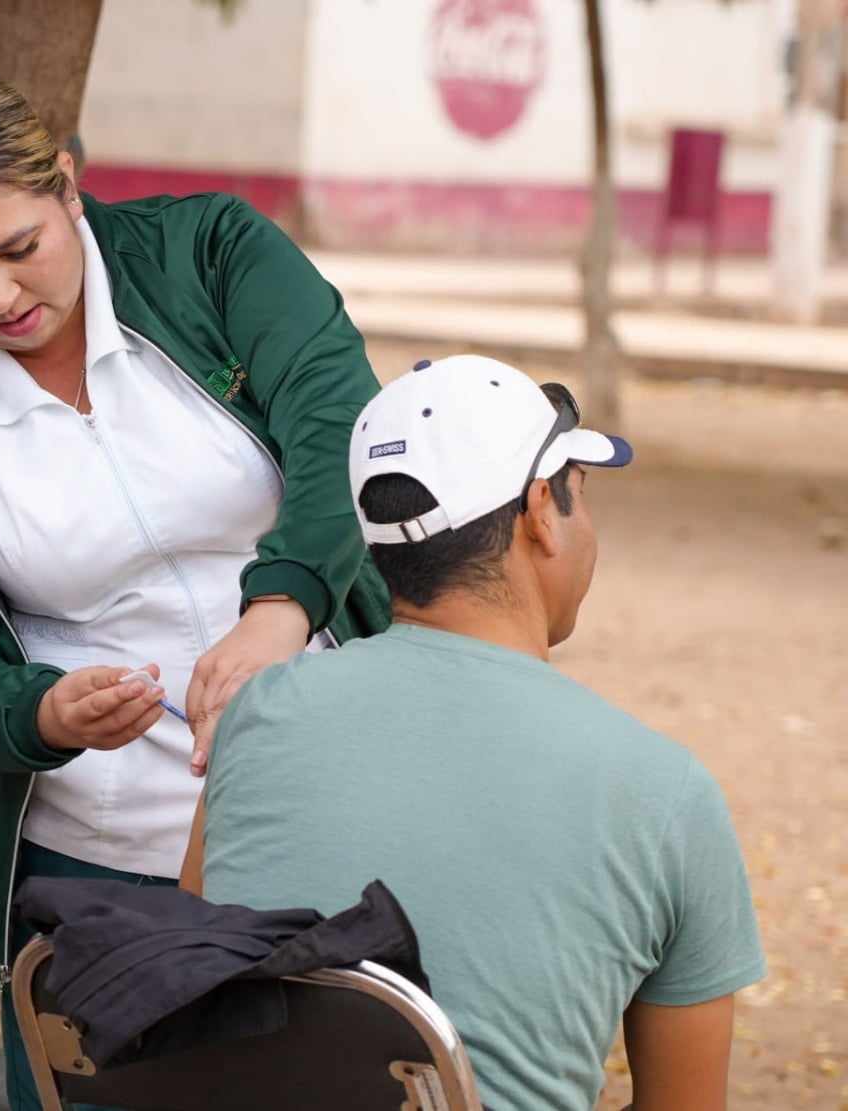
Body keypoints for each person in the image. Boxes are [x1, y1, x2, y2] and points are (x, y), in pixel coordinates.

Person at [0, 68, 390, 1108]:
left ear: (66, 180)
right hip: (89, 863)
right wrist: (41, 710)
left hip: (322, 810)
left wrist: (282, 607)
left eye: (20, 249)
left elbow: (343, 437)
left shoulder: (213, 253)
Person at [191, 354, 766, 1111]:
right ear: (539, 513)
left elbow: (193, 973)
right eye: (578, 498)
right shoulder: (664, 791)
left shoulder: (257, 715)